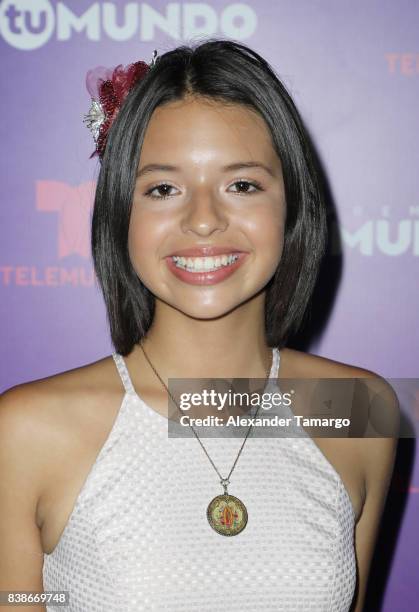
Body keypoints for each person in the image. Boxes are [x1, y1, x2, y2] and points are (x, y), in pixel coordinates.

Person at [0, 38, 398, 611]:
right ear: (120, 213)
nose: (204, 220)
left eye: (242, 185)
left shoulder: (360, 409)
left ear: (292, 207)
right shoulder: (28, 429)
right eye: (163, 189)